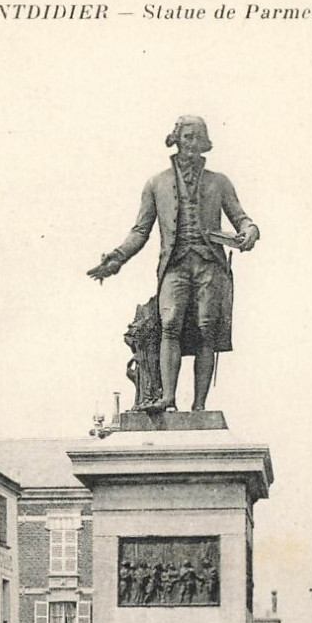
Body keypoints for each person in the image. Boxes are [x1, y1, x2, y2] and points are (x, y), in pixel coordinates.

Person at [88, 115, 259, 412]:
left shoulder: (219, 182)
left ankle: (199, 406)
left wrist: (250, 231)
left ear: (205, 143)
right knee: (169, 324)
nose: (192, 144)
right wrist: (117, 258)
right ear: (177, 139)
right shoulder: (157, 183)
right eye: (187, 137)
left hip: (209, 265)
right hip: (175, 265)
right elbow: (141, 230)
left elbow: (241, 217)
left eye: (198, 138)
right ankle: (168, 397)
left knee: (207, 329)